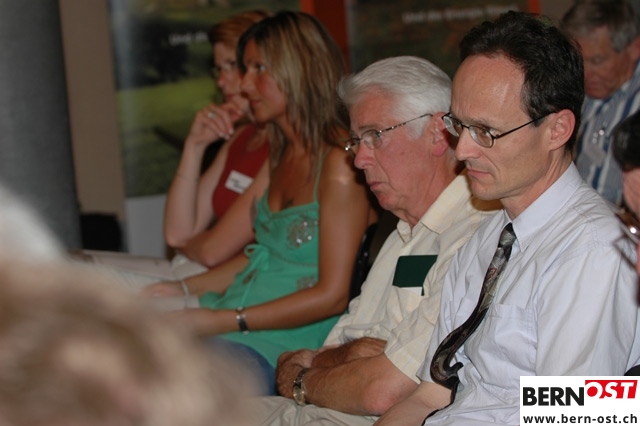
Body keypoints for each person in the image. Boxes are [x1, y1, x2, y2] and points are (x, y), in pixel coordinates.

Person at [376, 11, 640, 426]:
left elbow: (575, 418)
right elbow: (431, 394)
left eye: (486, 131)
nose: (463, 150)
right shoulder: (489, 235)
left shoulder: (592, 251)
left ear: (557, 129)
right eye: (459, 125)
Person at [251, 56, 499, 426]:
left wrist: (302, 378)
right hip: (319, 408)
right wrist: (345, 359)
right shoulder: (403, 231)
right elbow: (335, 348)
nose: (360, 159)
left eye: (375, 136)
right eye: (357, 141)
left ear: (437, 132)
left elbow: (382, 390)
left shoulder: (474, 234)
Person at [143, 11, 376, 394]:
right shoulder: (281, 154)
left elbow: (333, 296)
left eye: (258, 69)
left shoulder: (338, 162)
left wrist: (222, 319)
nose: (245, 83)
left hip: (279, 343)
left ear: (297, 69)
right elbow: (261, 254)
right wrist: (185, 290)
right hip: (232, 314)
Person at [0, 186, 257, 426]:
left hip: (228, 298)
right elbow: (178, 236)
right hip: (205, 281)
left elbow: (209, 250)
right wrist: (185, 284)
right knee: (74, 276)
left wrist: (226, 317)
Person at [164, 10, 270, 268]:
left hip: (242, 283)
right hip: (212, 274)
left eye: (232, 65)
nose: (222, 81)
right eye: (219, 69)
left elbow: (211, 251)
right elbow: (177, 233)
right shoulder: (240, 138)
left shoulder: (287, 147)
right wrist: (195, 145)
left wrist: (192, 247)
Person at [560, 0, 640, 205]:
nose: (586, 73)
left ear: (634, 49)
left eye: (597, 61)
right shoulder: (574, 88)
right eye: (579, 60)